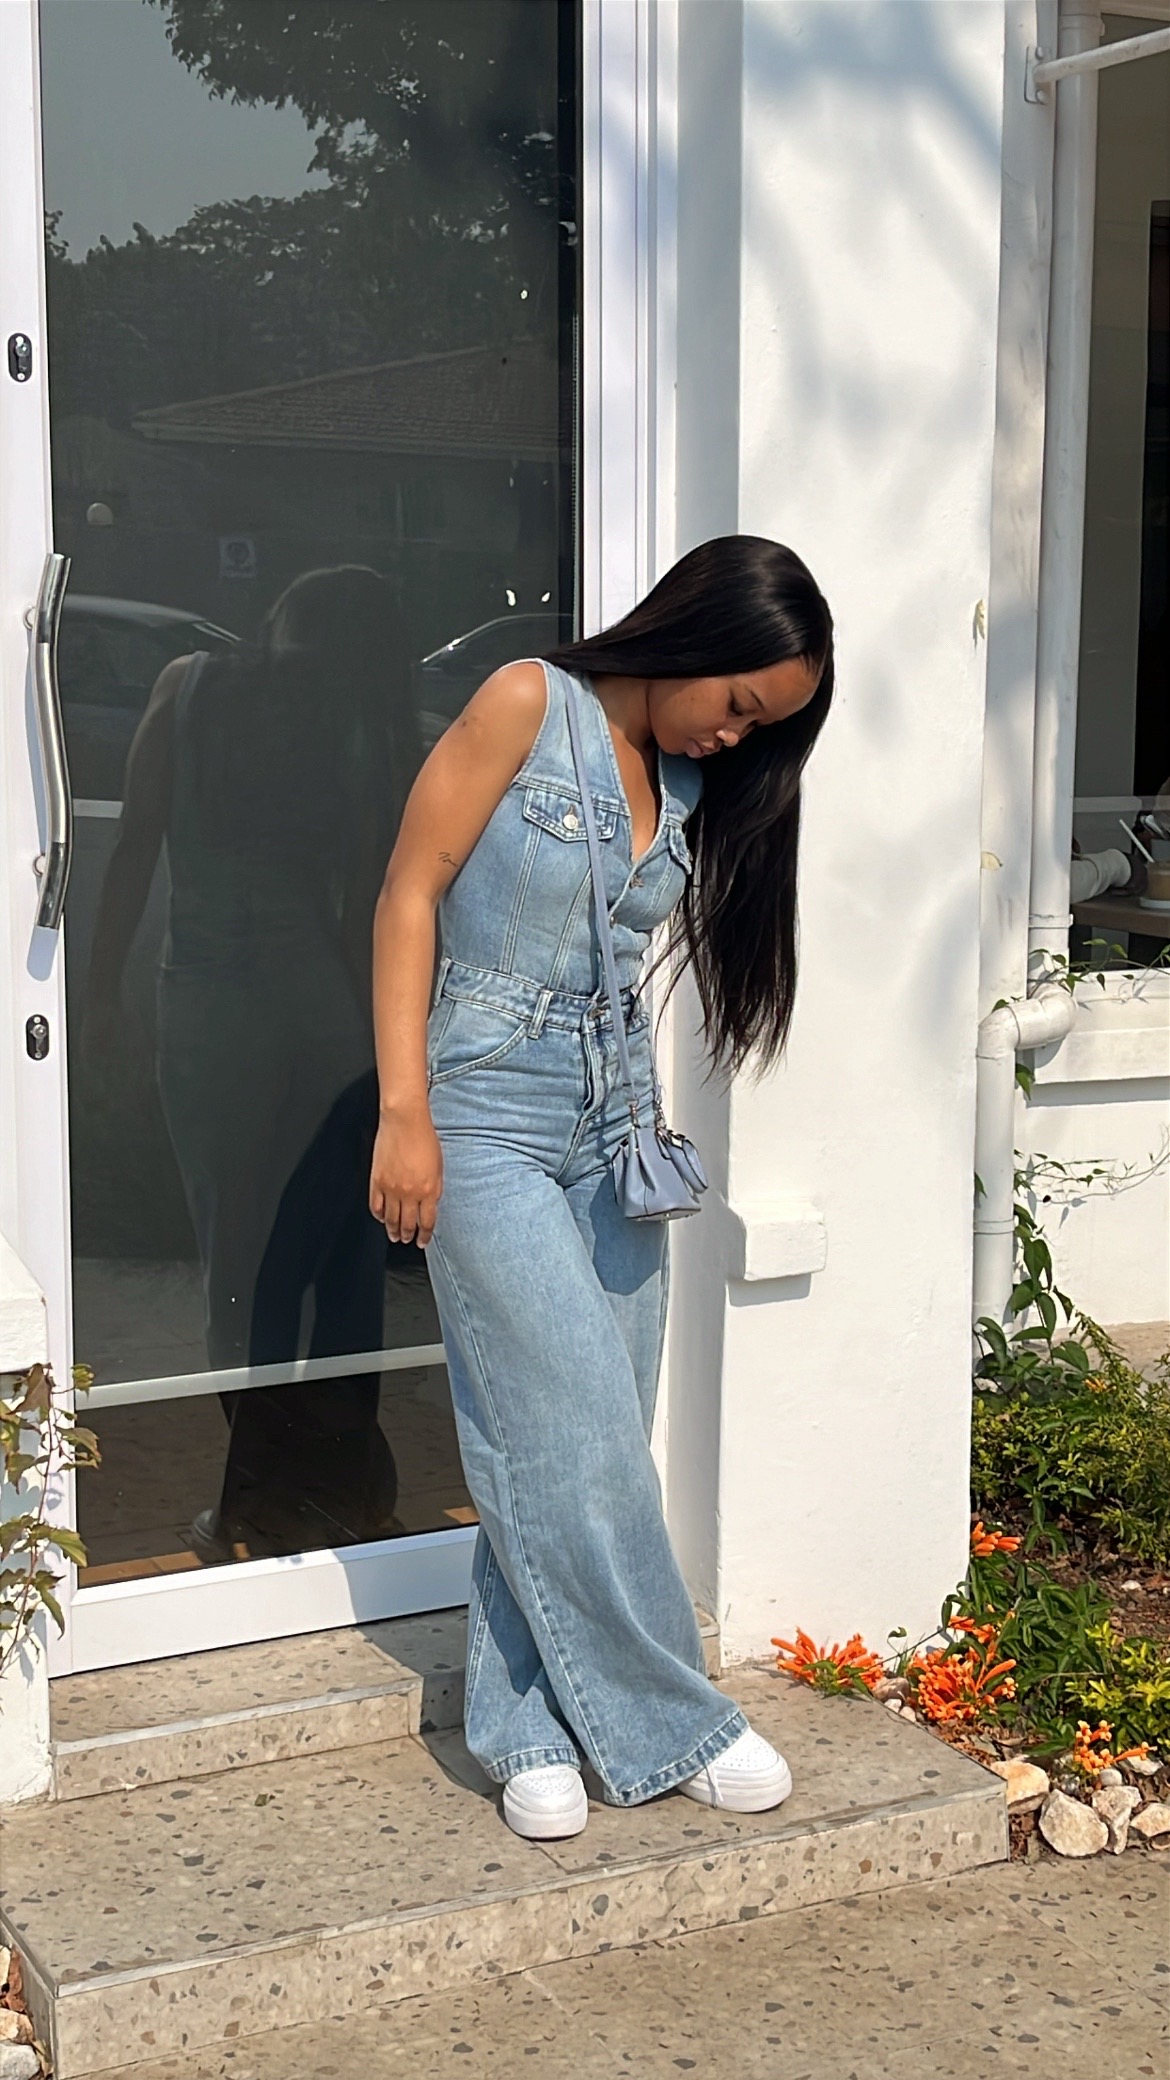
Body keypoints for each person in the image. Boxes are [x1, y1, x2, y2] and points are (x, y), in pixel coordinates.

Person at [369, 535, 834, 1840]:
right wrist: (404, 1109)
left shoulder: (687, 782)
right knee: (569, 1430)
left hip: (618, 1123)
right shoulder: (528, 701)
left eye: (763, 726)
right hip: (483, 1109)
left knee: (576, 1431)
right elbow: (410, 889)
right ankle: (674, 1719)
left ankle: (523, 1726)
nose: (736, 736)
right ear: (695, 635)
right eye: (739, 702)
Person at [86, 565, 421, 1559]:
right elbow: (369, 895)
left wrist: (99, 992)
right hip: (327, 1011)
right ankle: (347, 1493)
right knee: (346, 1260)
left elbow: (135, 844)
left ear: (274, 616)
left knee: (238, 1262)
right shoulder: (358, 722)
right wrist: (393, 1050)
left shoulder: (186, 687)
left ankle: (256, 1503)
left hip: (210, 1006)